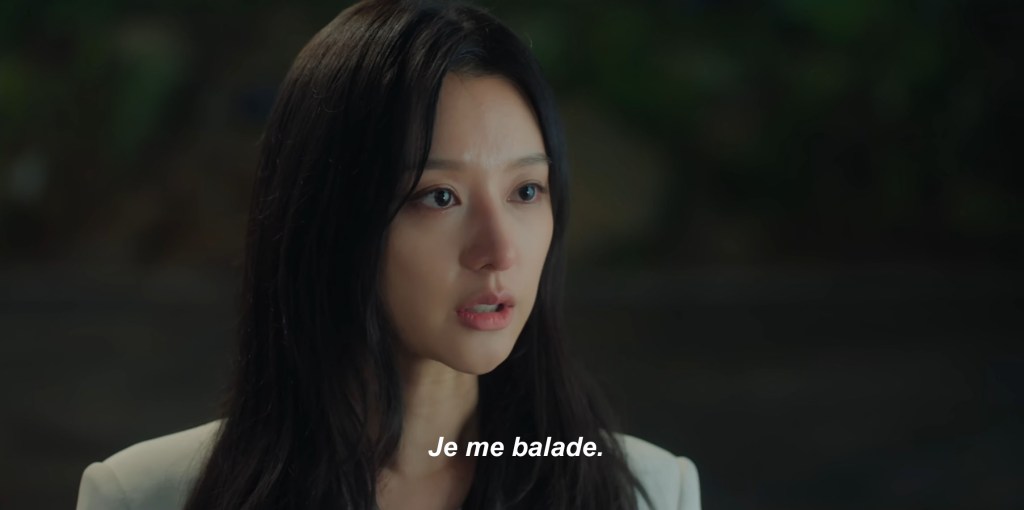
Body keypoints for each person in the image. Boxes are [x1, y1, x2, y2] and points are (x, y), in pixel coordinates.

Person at [75, 1, 700, 508]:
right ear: (331, 217)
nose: (499, 250)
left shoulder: (644, 491)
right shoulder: (146, 496)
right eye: (440, 196)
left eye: (526, 191)